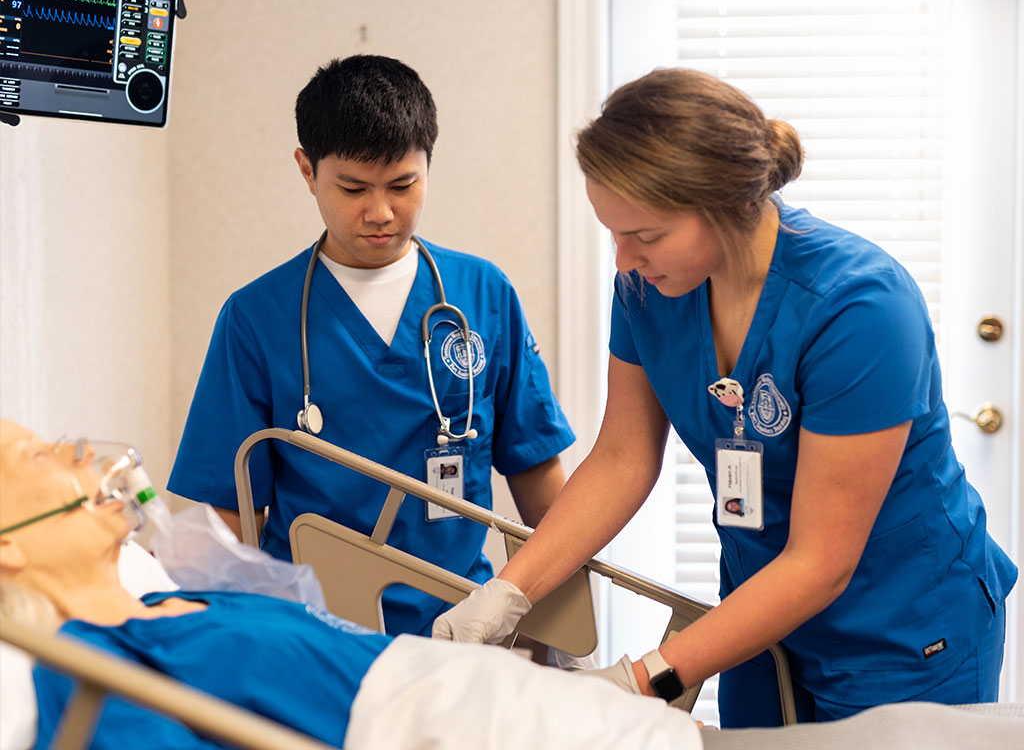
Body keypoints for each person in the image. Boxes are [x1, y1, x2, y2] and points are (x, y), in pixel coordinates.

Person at [432, 68, 1018, 727]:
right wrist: (506, 594)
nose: (624, 260)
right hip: (759, 612)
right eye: (613, 233)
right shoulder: (649, 290)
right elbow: (623, 459)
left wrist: (640, 679)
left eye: (645, 235)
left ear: (725, 206)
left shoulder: (860, 309)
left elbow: (821, 561)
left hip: (903, 622)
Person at [168, 55, 575, 636]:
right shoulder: (256, 317)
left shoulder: (483, 293)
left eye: (403, 185)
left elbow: (537, 472)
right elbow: (233, 514)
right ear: (307, 170)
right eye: (353, 187)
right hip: (313, 631)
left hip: (463, 624)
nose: (381, 212)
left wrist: (565, 623)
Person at [0, 421, 700, 750]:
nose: (78, 449)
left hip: (589, 724)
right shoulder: (89, 675)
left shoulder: (176, 601)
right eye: (37, 451)